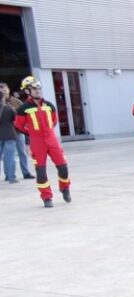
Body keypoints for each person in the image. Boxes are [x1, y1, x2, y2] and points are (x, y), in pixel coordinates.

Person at [14, 76, 70, 208]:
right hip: (37, 142)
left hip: (51, 139)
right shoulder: (23, 108)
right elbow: (18, 126)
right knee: (41, 171)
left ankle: (65, 188)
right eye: (34, 88)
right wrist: (32, 134)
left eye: (38, 88)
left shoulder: (49, 105)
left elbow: (54, 121)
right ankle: (46, 196)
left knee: (63, 167)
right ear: (27, 91)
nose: (37, 90)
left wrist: (47, 132)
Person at [0, 82, 34, 180]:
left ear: (8, 89)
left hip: (18, 132)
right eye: (1, 89)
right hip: (6, 134)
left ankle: (26, 173)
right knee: (7, 155)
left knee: (22, 152)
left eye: (4, 88)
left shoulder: (16, 101)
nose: (3, 91)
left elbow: (24, 116)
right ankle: (8, 175)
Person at [0, 90, 18, 183]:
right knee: (10, 157)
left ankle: (7, 175)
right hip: (9, 134)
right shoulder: (9, 108)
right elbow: (16, 119)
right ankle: (11, 177)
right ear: (3, 97)